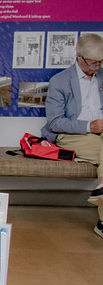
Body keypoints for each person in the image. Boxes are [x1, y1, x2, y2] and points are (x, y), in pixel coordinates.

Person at [42, 32, 103, 237]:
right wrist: (89, 126)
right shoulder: (60, 81)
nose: (97, 68)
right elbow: (55, 122)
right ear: (79, 56)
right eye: (92, 63)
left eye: (100, 63)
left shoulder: (102, 76)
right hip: (73, 133)